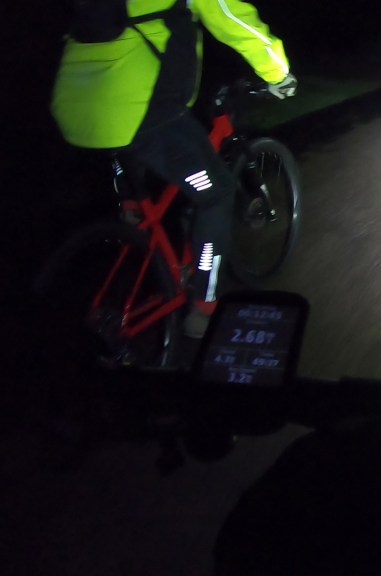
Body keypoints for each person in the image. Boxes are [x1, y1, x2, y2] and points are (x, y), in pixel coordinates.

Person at [51, 0, 297, 338]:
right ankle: (204, 307)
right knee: (216, 194)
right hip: (139, 109)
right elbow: (232, 19)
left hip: (76, 103)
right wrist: (278, 74)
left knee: (135, 159)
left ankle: (133, 214)